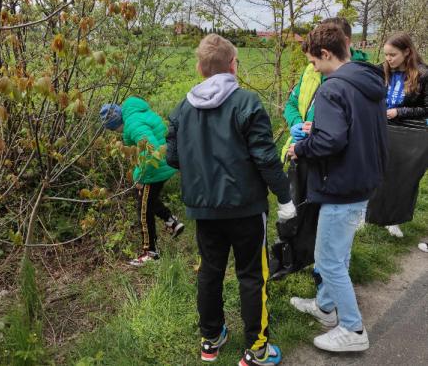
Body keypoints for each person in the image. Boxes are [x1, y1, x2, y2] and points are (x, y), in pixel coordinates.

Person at [167, 34, 295, 365]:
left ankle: (211, 338)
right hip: (246, 210)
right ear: (233, 65)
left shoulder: (182, 108)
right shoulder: (247, 103)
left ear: (200, 68)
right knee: (253, 275)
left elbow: (173, 158)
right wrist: (285, 198)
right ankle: (257, 348)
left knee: (210, 271)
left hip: (204, 209)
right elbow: (266, 159)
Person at [288, 24, 387, 352]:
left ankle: (353, 329)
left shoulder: (333, 88)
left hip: (340, 185)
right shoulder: (366, 81)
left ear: (326, 54)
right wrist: (318, 126)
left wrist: (300, 148)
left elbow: (331, 140)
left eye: (314, 62)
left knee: (328, 258)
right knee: (338, 252)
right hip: (362, 181)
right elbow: (352, 130)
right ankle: (326, 307)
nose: (313, 68)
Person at [100, 97, 184, 266]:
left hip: (156, 169)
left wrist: (140, 177)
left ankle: (150, 253)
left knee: (143, 210)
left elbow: (150, 148)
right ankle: (171, 222)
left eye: (116, 130)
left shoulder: (132, 124)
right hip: (165, 164)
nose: (118, 132)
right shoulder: (138, 113)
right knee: (148, 199)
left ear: (117, 123)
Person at [281, 17, 369, 161]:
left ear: (344, 41)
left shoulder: (359, 78)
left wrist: (316, 131)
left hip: (329, 161)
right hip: (304, 152)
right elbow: (292, 102)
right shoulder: (311, 68)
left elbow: (348, 134)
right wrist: (297, 124)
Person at [372, 32, 428, 238]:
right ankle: (366, 214)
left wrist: (399, 112)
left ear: (407, 52)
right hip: (381, 127)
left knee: (400, 176)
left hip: (408, 133)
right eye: (386, 54)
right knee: (375, 171)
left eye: (392, 55)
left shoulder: (423, 74)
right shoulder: (382, 70)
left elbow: (426, 108)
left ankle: (393, 219)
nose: (388, 59)